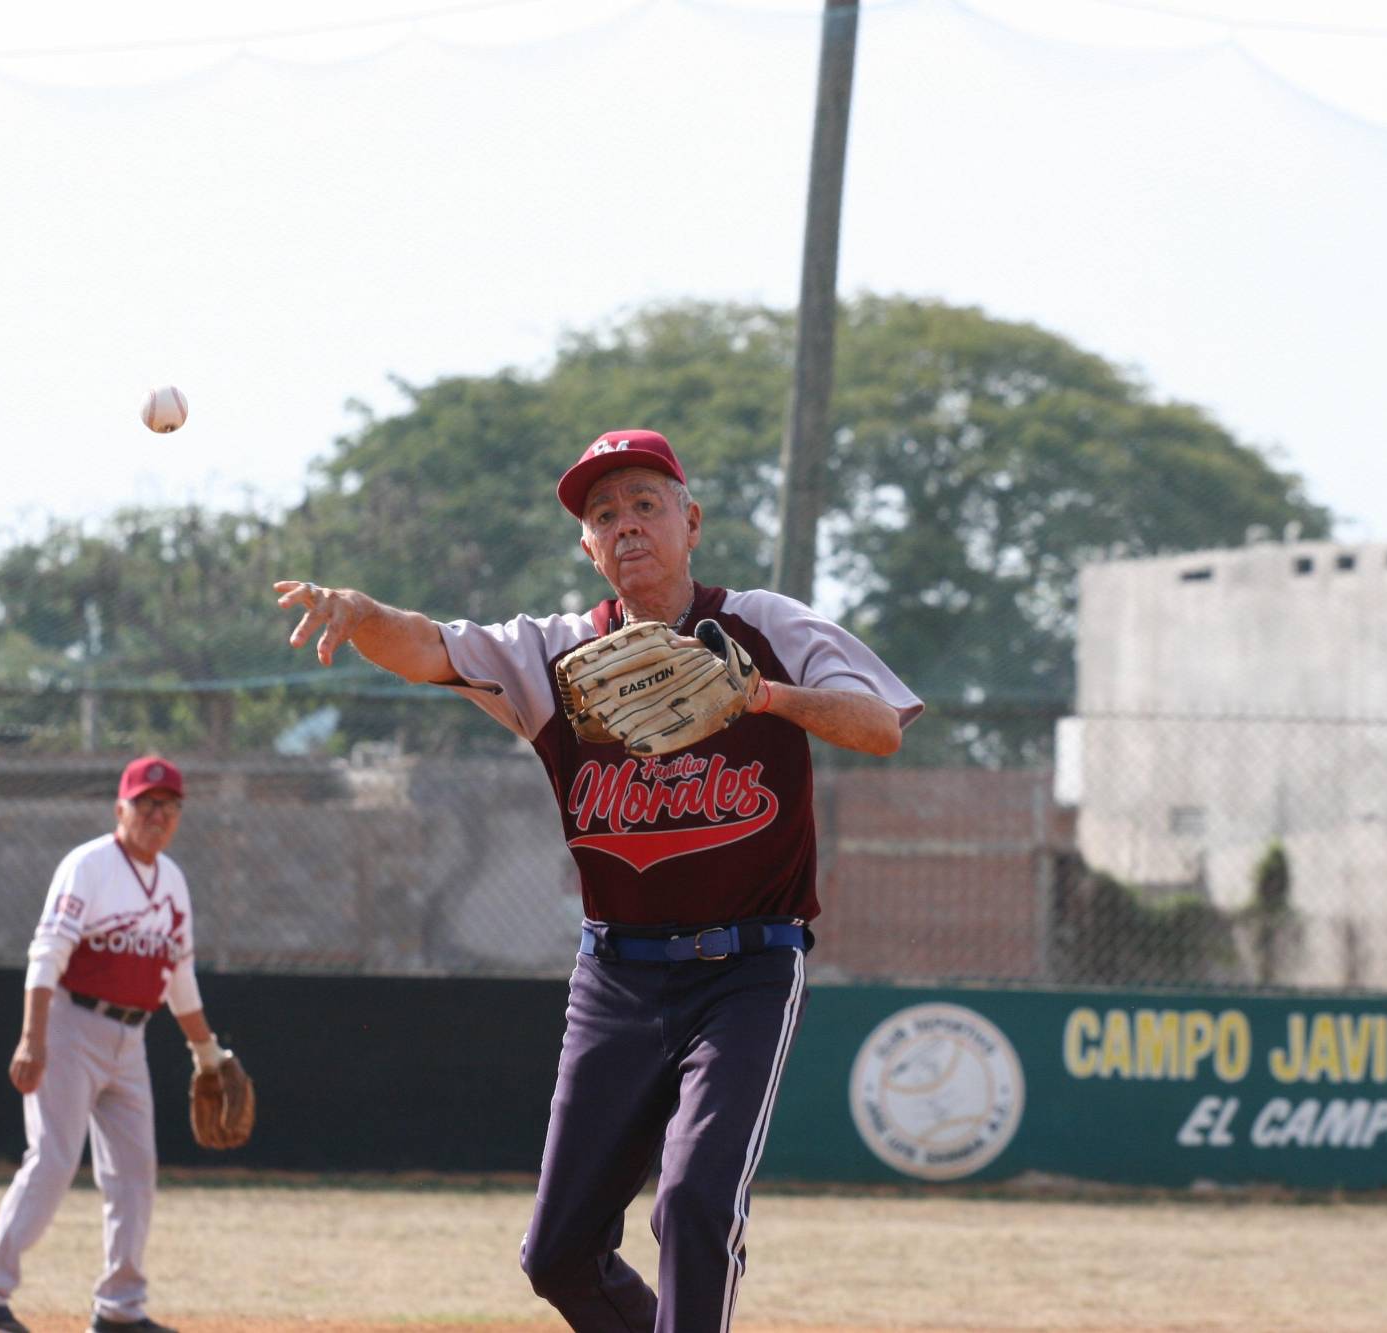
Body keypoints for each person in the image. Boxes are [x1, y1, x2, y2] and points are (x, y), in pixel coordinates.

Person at [275, 428, 920, 1332]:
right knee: (559, 1252)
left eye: (646, 504)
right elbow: (428, 646)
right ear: (586, 547)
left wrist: (760, 696)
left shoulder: (765, 625)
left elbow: (881, 726)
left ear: (690, 522)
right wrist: (359, 610)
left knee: (693, 1201)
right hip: (616, 977)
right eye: (602, 514)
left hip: (746, 969)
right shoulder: (557, 653)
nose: (626, 526)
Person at [0, 755, 234, 1333]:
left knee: (134, 1171)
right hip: (70, 1026)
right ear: (120, 808)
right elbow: (47, 950)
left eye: (169, 806)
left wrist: (206, 1051)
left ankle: (120, 1308)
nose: (157, 815)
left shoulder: (173, 881)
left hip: (132, 1038)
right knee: (53, 1159)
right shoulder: (89, 865)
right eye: (146, 803)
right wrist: (33, 1037)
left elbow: (179, 977)